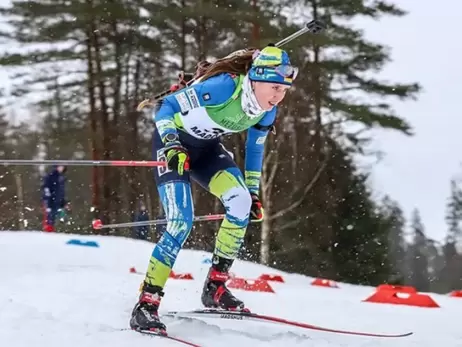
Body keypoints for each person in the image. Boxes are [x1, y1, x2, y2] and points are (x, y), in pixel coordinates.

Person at [130, 45, 298, 332]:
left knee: (241, 202)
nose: (277, 96)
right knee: (181, 222)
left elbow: (255, 150)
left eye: (283, 90)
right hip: (174, 148)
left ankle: (215, 287)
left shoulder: (266, 111)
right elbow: (166, 107)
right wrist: (171, 143)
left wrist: (254, 191)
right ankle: (147, 302)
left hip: (207, 152)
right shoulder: (224, 87)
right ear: (255, 78)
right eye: (273, 88)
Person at [41, 165, 68, 232]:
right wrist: (48, 201)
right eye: (60, 166)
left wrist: (63, 202)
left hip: (58, 202)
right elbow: (47, 189)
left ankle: (54, 231)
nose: (62, 168)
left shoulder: (61, 177)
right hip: (51, 201)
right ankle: (49, 231)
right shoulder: (52, 176)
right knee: (50, 219)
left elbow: (61, 192)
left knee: (59, 218)